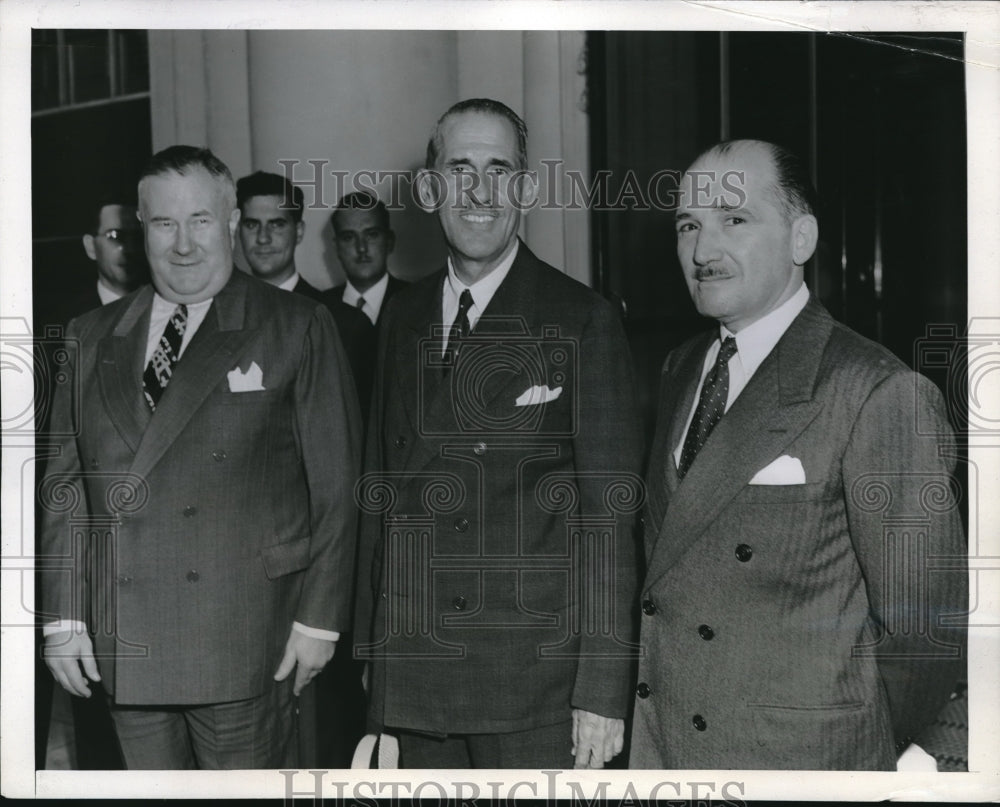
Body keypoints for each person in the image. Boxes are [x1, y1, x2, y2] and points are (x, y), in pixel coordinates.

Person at [629, 139, 967, 769]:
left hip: (798, 759)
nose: (703, 251)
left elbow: (926, 626)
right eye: (688, 226)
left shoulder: (875, 389)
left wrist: (877, 753)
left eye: (734, 220)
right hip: (670, 747)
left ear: (801, 239)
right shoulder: (680, 369)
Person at [39, 145, 361, 769]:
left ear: (233, 223)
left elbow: (337, 485)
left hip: (245, 638)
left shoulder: (295, 325)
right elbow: (64, 491)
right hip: (126, 641)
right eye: (164, 223)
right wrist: (62, 618)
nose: (183, 244)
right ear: (141, 228)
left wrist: (320, 621)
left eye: (201, 221)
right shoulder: (90, 334)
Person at [353, 98, 643, 769]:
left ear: (527, 187)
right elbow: (379, 495)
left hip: (531, 687)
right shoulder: (400, 317)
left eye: (499, 170)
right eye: (459, 170)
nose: (479, 192)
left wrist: (601, 690)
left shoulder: (582, 320)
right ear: (430, 190)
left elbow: (609, 518)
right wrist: (375, 660)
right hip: (415, 671)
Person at [326, 192, 407, 417]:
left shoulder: (419, 303)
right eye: (349, 237)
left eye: (371, 235)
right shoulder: (317, 309)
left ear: (389, 241)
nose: (361, 248)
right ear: (336, 247)